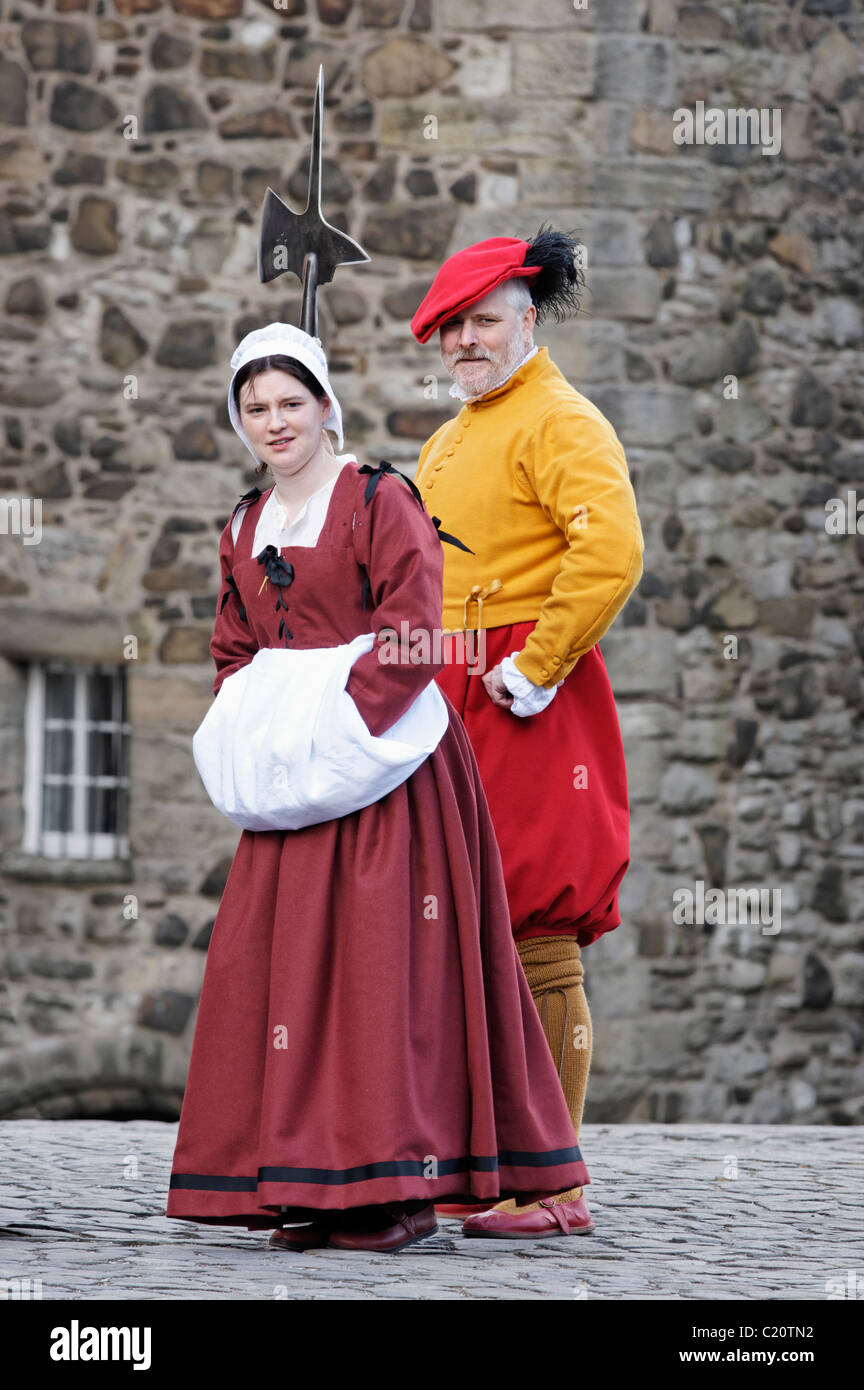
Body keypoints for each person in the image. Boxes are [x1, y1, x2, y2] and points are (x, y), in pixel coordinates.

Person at [165, 321, 596, 1252]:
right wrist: (261, 732)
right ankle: (314, 1184)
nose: (273, 423)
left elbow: (412, 630)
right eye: (255, 408)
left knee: (379, 976)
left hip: (387, 777)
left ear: (326, 407)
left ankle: (398, 1190)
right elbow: (233, 649)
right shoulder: (244, 524)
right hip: (294, 794)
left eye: (290, 404)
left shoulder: (378, 499)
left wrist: (338, 727)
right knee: (287, 984)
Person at [410, 231, 644, 1238]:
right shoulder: (453, 434)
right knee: (466, 931)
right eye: (454, 325)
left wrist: (538, 666)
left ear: (528, 318)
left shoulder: (559, 417)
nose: (468, 339)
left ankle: (555, 1184)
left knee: (539, 926)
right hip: (449, 699)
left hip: (522, 699)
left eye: (485, 319)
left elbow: (613, 550)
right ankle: (489, 1166)